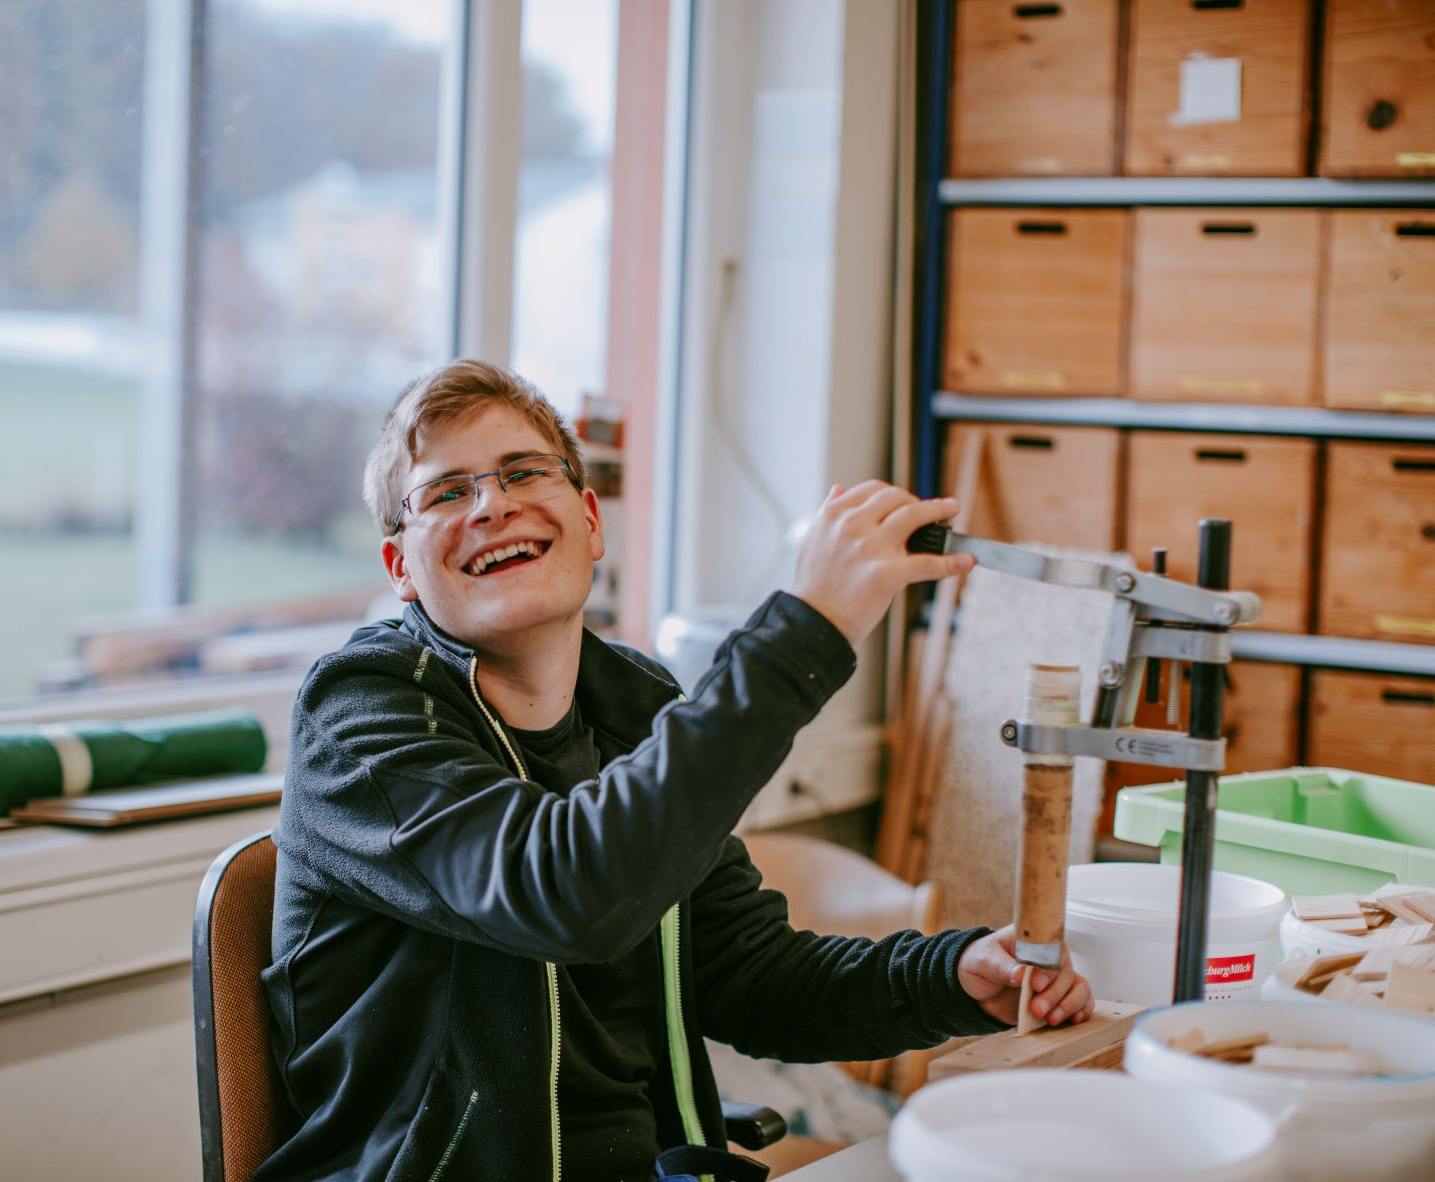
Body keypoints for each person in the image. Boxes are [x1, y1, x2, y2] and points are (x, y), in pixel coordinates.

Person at [260, 359, 1093, 1182]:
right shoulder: (360, 717)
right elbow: (567, 889)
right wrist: (805, 632)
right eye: (447, 491)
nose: (494, 504)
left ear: (590, 521)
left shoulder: (631, 705)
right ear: (400, 569)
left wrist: (950, 975)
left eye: (523, 472)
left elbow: (751, 976)